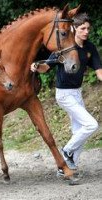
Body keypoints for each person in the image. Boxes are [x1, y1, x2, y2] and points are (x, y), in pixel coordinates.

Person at [31, 13, 102, 175]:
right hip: (64, 95)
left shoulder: (89, 48)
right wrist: (35, 66)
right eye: (82, 28)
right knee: (91, 125)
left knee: (79, 132)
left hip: (77, 94)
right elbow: (45, 67)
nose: (86, 31)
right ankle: (67, 151)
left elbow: (99, 72)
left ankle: (67, 169)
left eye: (88, 28)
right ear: (74, 28)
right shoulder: (63, 47)